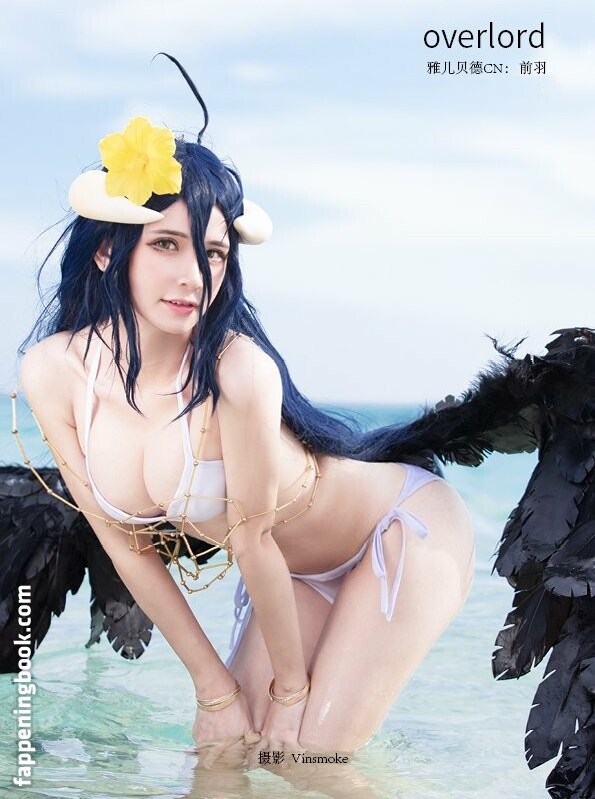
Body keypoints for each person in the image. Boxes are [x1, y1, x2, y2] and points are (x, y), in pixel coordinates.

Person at [16, 56, 475, 766]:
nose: (192, 277)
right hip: (290, 578)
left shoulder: (237, 371)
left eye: (212, 253)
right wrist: (212, 688)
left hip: (395, 533)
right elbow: (123, 543)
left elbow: (254, 541)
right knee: (224, 754)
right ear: (108, 251)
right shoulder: (53, 372)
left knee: (309, 760)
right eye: (165, 245)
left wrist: (290, 693)